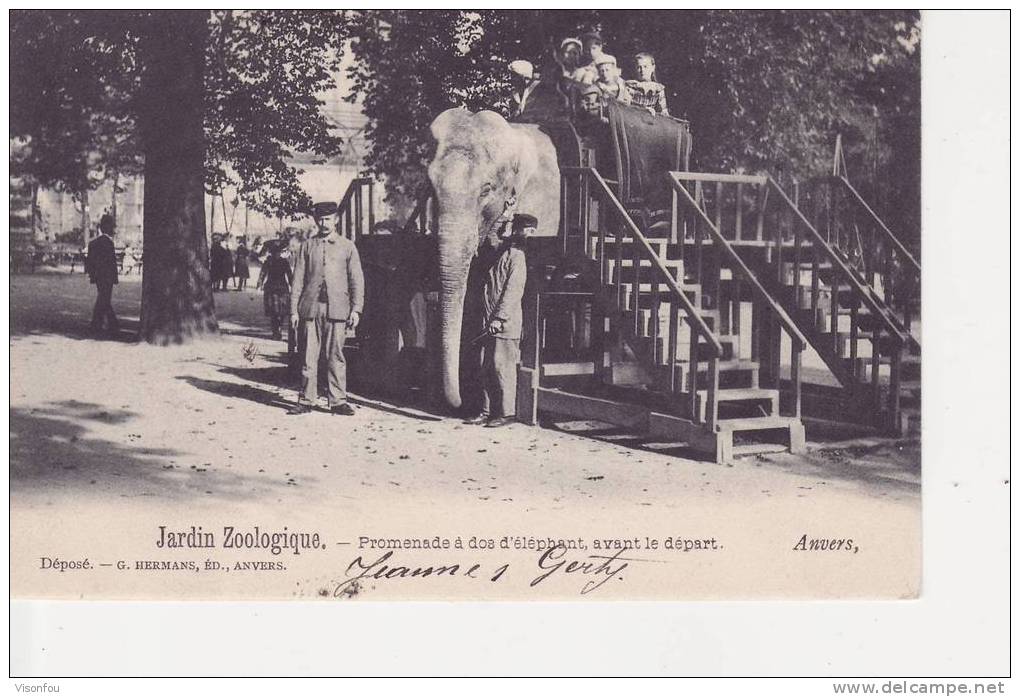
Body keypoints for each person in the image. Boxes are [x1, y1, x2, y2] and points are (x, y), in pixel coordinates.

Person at [288, 201, 365, 416]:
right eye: (320, 219)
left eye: (328, 219)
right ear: (315, 220)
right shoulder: (307, 246)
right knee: (308, 356)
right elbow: (298, 280)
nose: (324, 223)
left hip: (338, 310)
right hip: (310, 309)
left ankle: (338, 400)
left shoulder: (348, 247)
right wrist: (294, 310)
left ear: (336, 220)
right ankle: (306, 399)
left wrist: (356, 309)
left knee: (336, 356)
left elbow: (357, 280)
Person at [464, 213, 535, 428]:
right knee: (486, 367)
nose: (529, 235)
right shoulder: (503, 252)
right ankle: (486, 411)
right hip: (490, 321)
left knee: (501, 368)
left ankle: (507, 413)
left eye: (532, 232)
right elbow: (492, 236)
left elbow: (513, 291)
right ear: (516, 230)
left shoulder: (518, 256)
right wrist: (504, 215)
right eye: (526, 230)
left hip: (505, 324)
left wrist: (499, 318)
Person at [85, 214, 120, 336]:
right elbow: (112, 262)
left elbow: (90, 262)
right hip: (108, 276)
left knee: (103, 299)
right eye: (112, 226)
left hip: (98, 276)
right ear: (107, 227)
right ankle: (104, 324)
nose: (113, 229)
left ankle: (104, 324)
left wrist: (92, 275)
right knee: (104, 300)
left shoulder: (93, 243)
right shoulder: (109, 243)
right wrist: (115, 278)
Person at [256, 241, 293, 340]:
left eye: (278, 252)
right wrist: (259, 284)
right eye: (275, 252)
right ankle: (275, 331)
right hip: (273, 289)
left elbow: (289, 274)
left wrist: (293, 284)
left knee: (282, 312)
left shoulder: (284, 262)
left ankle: (278, 329)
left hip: (280, 289)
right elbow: (263, 273)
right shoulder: (269, 262)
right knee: (274, 312)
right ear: (272, 252)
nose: (277, 254)